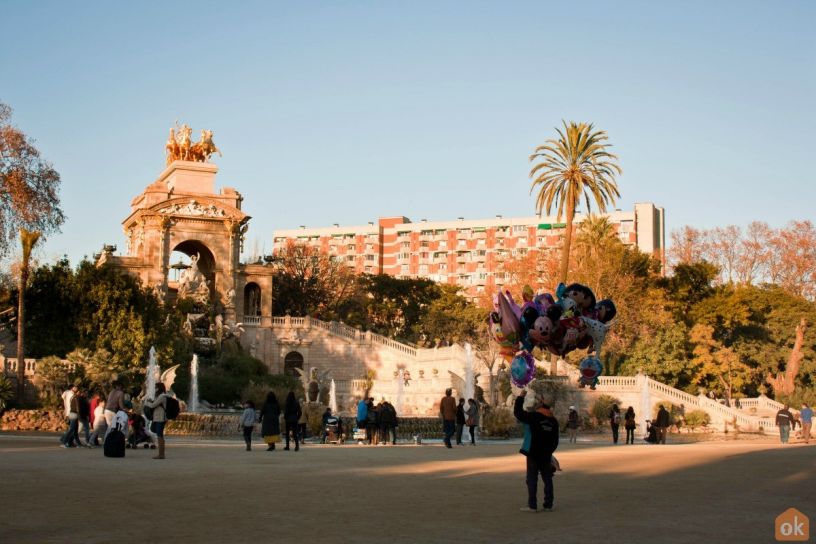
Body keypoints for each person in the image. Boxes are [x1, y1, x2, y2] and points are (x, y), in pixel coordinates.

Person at [514, 391, 559, 512]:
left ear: (542, 402)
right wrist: (549, 452)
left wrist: (520, 398)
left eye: (540, 399)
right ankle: (548, 504)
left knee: (532, 479)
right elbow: (555, 440)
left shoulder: (535, 417)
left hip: (533, 452)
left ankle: (532, 505)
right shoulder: (553, 421)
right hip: (546, 454)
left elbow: (518, 413)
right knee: (547, 478)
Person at [143, 383, 169, 459]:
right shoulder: (160, 396)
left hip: (160, 418)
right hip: (157, 418)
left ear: (159, 388)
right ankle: (161, 454)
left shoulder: (162, 396)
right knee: (157, 433)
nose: (155, 389)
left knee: (159, 435)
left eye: (156, 387)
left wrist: (147, 402)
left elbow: (152, 405)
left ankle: (161, 454)